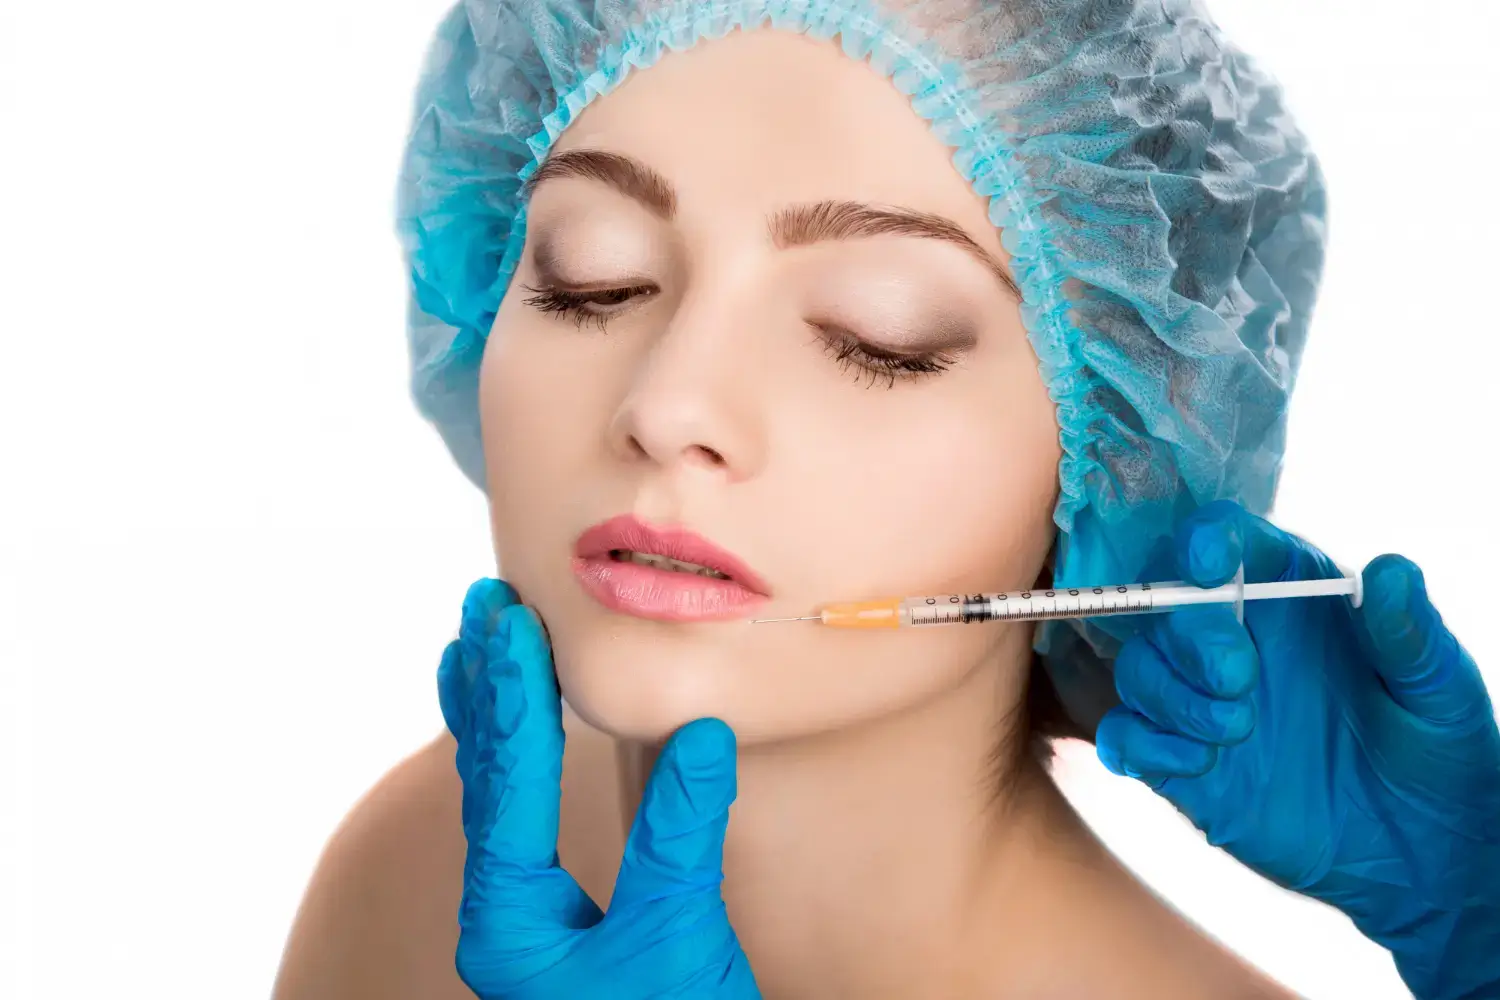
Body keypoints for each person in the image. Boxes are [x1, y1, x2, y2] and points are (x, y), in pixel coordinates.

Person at [272, 2, 1500, 998]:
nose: (669, 401)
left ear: (1111, 458)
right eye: (592, 277)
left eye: (876, 336)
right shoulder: (414, 866)